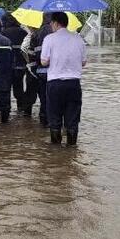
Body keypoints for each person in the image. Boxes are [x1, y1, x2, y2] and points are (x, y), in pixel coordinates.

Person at [40, 12, 87, 145]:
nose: (51, 25)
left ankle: (56, 152)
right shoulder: (78, 39)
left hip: (55, 84)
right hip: (73, 84)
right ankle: (71, 150)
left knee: (54, 118)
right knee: (72, 119)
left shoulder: (49, 39)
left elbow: (44, 62)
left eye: (51, 23)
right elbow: (83, 62)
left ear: (56, 23)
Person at [1, 14, 32, 116]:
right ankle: (21, 107)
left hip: (7, 66)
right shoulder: (23, 32)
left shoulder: (3, 33)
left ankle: (6, 110)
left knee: (6, 88)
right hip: (21, 65)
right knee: (19, 86)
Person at [28, 13, 54, 128]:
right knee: (55, 98)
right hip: (55, 73)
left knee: (43, 98)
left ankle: (44, 122)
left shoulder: (36, 34)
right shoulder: (55, 33)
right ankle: (54, 123)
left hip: (41, 73)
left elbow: (31, 55)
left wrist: (35, 71)